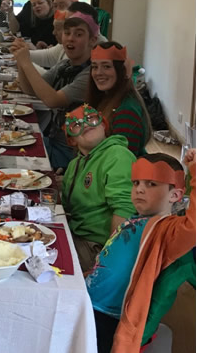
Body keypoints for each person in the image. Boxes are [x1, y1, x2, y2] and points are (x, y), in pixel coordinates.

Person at [86, 150, 195, 353]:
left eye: (151, 184)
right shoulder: (133, 219)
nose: (140, 190)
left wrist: (195, 171)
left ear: (176, 195)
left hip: (111, 317)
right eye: (136, 183)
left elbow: (194, 226)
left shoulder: (167, 230)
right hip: (89, 301)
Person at [11, 11, 99, 170]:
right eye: (67, 33)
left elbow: (52, 100)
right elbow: (30, 89)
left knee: (13, 155)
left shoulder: (90, 74)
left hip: (72, 153)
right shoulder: (66, 65)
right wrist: (20, 61)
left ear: (92, 40)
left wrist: (26, 62)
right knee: (9, 141)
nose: (71, 38)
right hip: (54, 141)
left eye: (78, 34)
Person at [61, 104, 136, 272]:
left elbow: (124, 210)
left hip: (95, 247)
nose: (86, 124)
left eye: (91, 118)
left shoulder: (117, 155)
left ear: (103, 125)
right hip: (75, 234)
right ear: (72, 140)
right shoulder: (74, 165)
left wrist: (107, 262)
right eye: (76, 125)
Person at [88, 41, 151, 156]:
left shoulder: (126, 111)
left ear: (121, 70)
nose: (98, 73)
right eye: (94, 67)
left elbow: (122, 163)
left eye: (106, 66)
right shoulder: (106, 97)